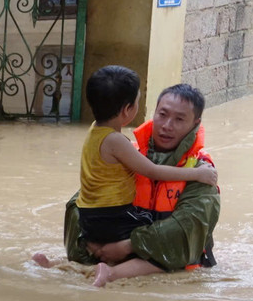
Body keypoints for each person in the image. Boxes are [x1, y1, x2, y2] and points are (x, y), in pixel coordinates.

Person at [33, 66, 216, 287]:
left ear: (195, 124)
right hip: (113, 265)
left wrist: (129, 245)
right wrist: (90, 242)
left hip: (172, 276)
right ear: (149, 112)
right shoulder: (129, 152)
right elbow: (81, 201)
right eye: (163, 115)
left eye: (179, 119)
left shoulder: (202, 171)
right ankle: (65, 266)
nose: (167, 126)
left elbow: (187, 228)